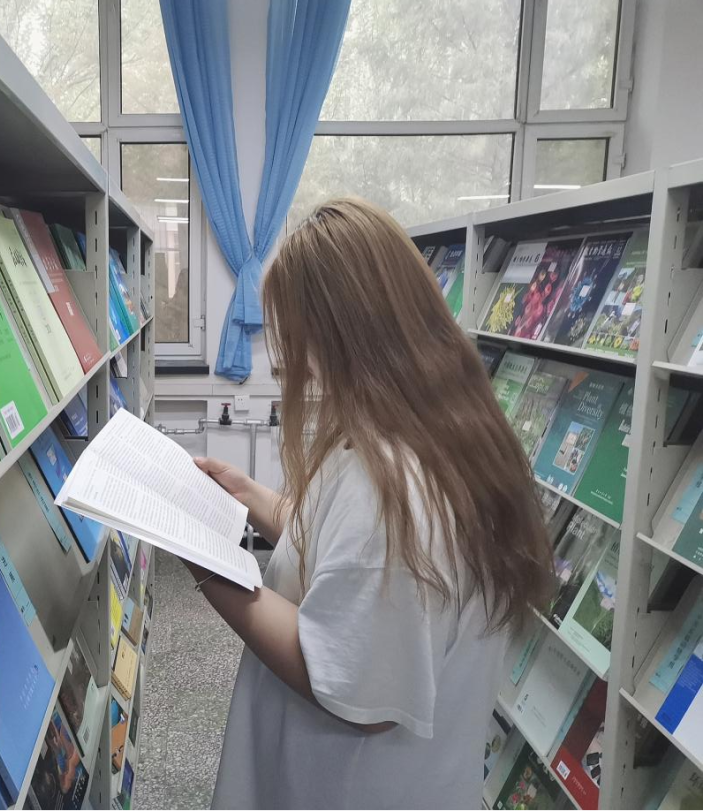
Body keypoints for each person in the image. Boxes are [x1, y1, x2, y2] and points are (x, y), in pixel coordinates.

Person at [189, 198, 554, 809]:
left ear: (340, 334)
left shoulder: (391, 488)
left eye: (295, 333)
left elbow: (349, 678)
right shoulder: (437, 431)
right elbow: (341, 555)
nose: (286, 359)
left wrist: (206, 568)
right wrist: (248, 495)